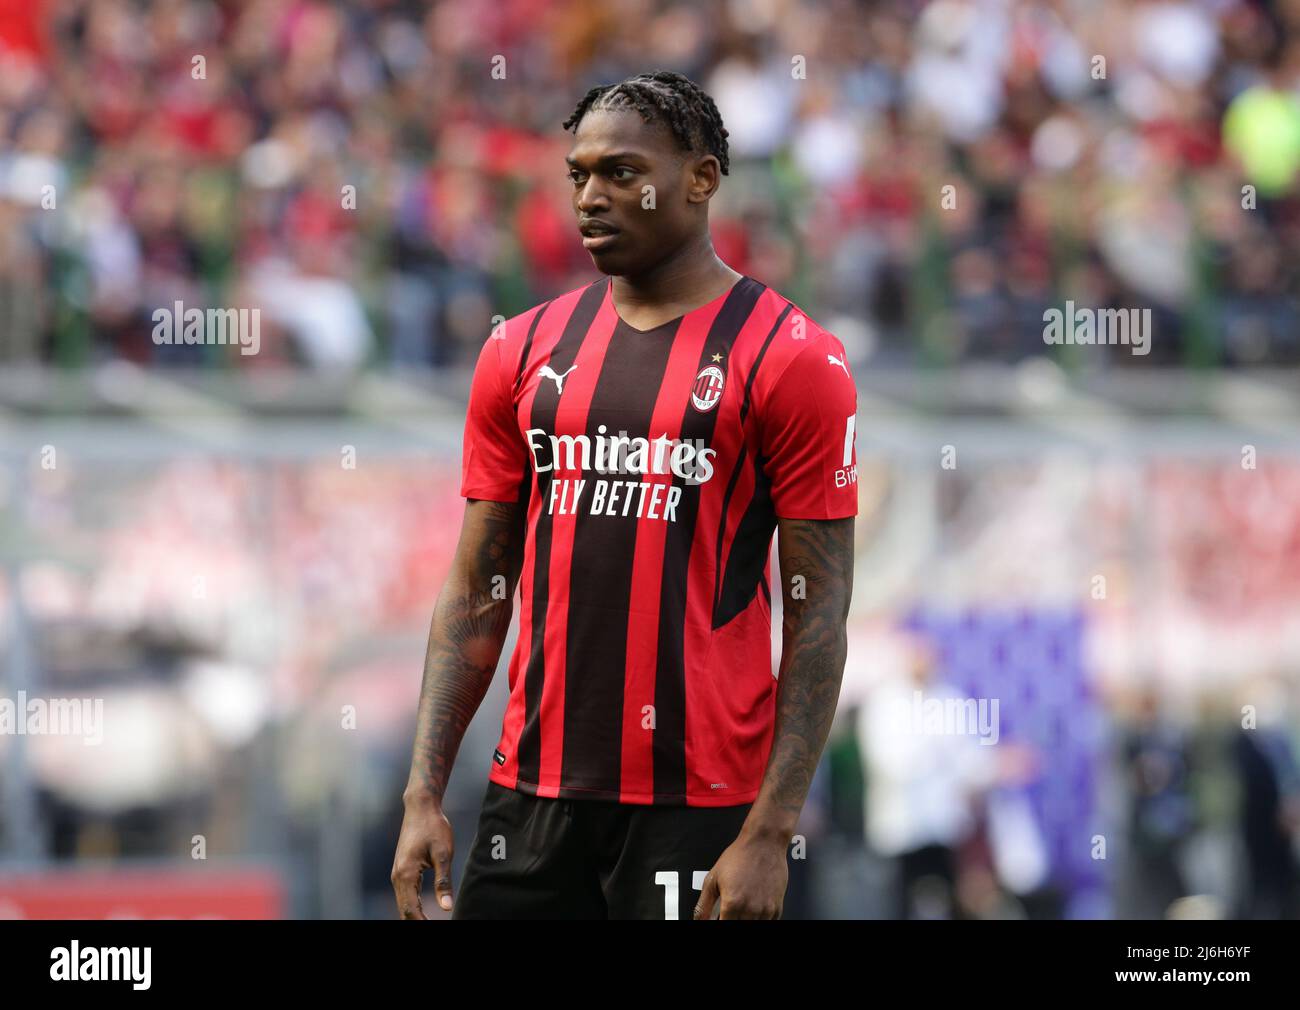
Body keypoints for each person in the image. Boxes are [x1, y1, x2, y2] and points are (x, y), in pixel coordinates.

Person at [390, 70, 858, 920]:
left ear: (701, 178)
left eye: (621, 173)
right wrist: (423, 793)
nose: (590, 198)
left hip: (699, 808)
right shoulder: (520, 351)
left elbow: (819, 613)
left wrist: (769, 830)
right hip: (528, 800)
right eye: (578, 175)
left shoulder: (792, 359)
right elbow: (475, 591)